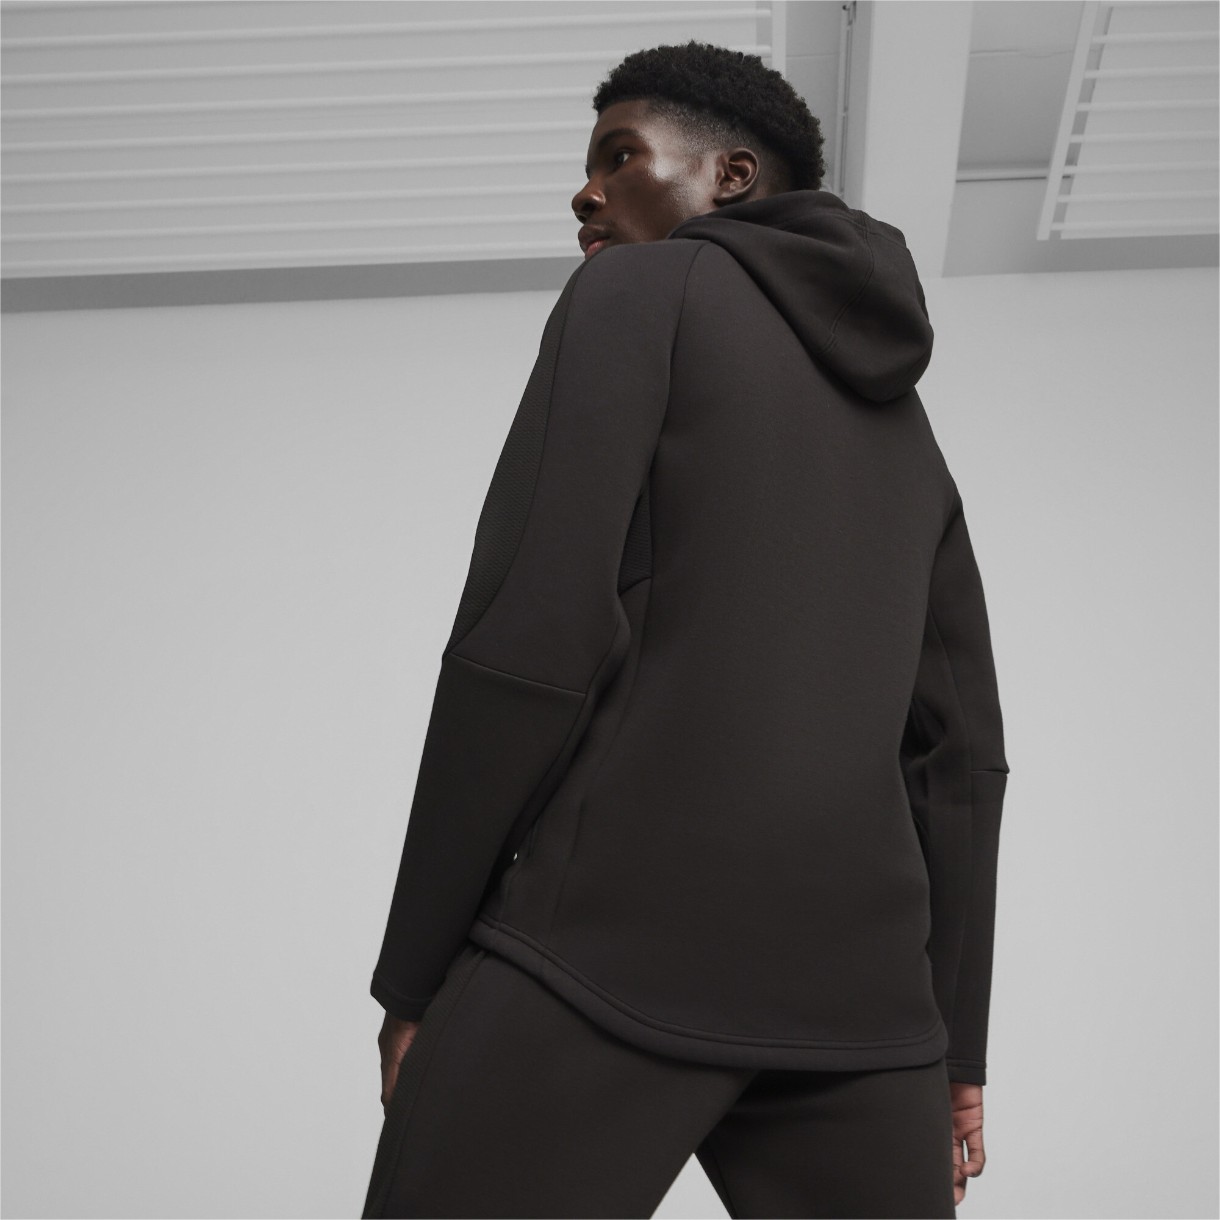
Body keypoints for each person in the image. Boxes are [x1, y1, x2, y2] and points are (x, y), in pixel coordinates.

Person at [361, 38, 1009, 1220]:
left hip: (596, 957)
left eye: (618, 156)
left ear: (730, 176)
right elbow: (961, 757)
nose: (584, 192)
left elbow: (527, 642)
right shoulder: (912, 439)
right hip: (864, 1018)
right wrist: (953, 1049)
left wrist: (414, 973)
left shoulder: (635, 292)